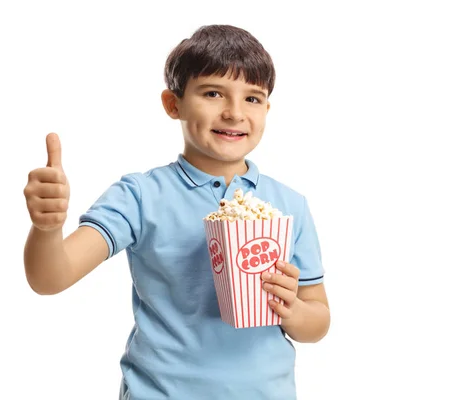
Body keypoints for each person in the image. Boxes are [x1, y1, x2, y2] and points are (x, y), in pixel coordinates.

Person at [23, 24, 330, 400]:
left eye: (252, 98)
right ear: (173, 104)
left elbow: (317, 320)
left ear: (267, 109)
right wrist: (46, 228)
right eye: (213, 93)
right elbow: (50, 278)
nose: (234, 113)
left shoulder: (290, 204)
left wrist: (293, 309)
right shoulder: (139, 197)